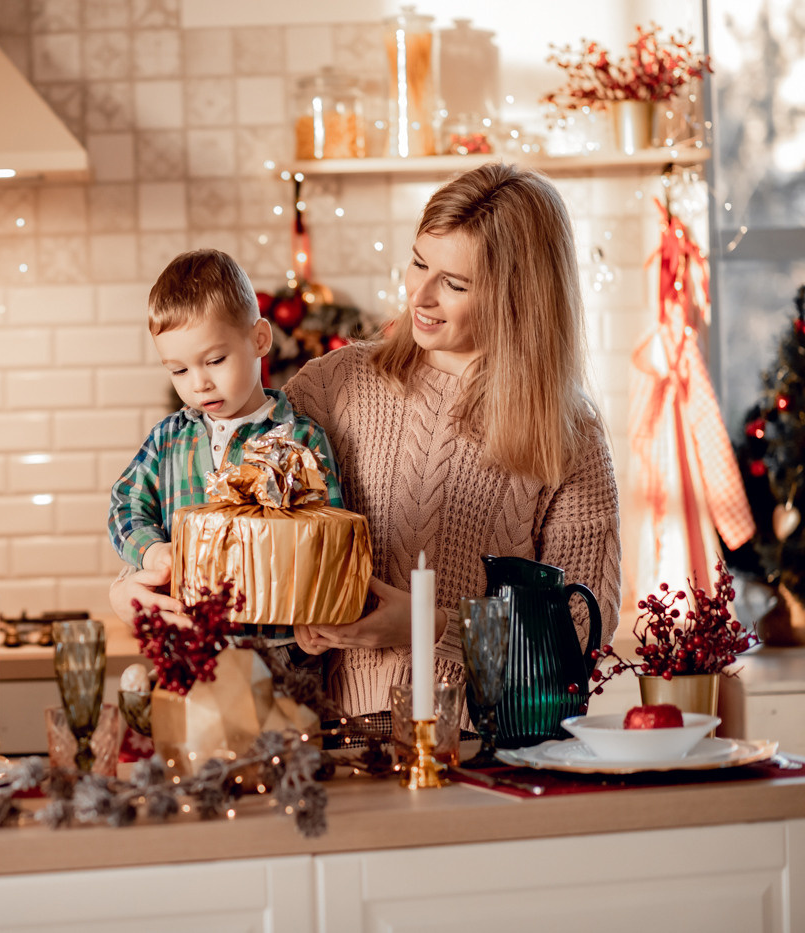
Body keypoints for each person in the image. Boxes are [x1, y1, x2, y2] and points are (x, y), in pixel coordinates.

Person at [110, 164, 621, 717]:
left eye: (453, 283)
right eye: (419, 262)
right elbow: (233, 522)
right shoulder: (332, 386)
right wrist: (132, 585)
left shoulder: (569, 434)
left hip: (489, 750)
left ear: (520, 294)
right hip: (332, 742)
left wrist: (430, 625)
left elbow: (580, 632)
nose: (419, 296)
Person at [107, 248, 345, 646]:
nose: (198, 383)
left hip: (277, 646)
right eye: (179, 370)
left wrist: (317, 611)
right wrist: (151, 553)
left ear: (259, 339)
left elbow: (328, 538)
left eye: (215, 360)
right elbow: (125, 505)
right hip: (188, 641)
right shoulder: (168, 439)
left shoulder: (298, 438)